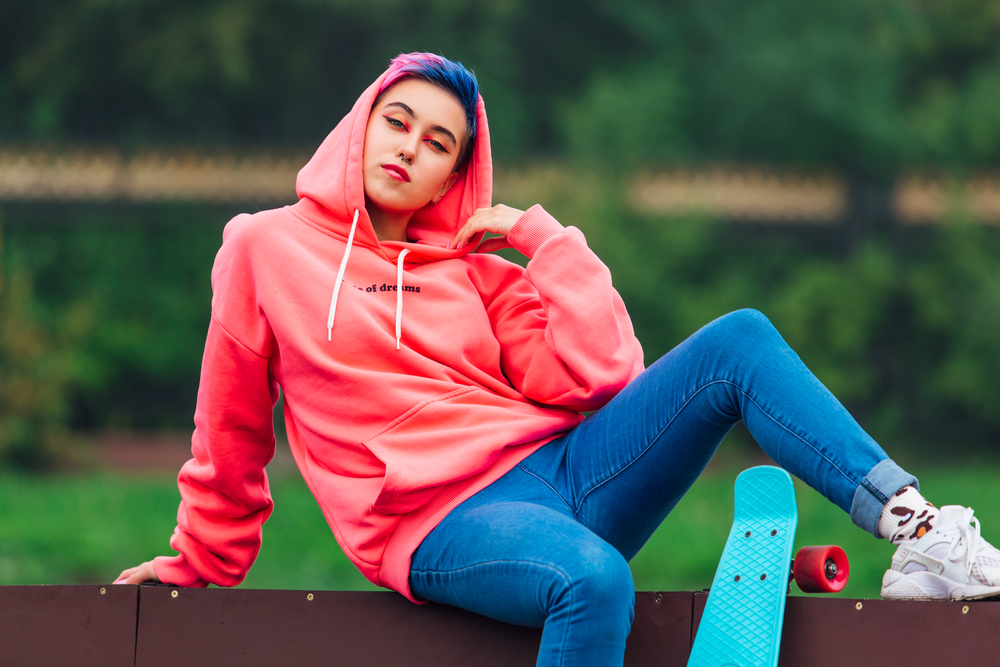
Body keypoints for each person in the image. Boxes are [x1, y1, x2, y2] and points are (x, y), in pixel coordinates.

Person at [115, 53, 1000, 666]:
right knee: (592, 578)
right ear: (359, 126)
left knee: (738, 339)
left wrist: (546, 242)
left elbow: (604, 377)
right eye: (398, 122)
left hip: (566, 473)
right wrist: (201, 562)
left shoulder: (475, 270)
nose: (409, 149)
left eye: (438, 145)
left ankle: (920, 532)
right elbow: (228, 427)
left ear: (452, 176)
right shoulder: (264, 249)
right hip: (437, 524)